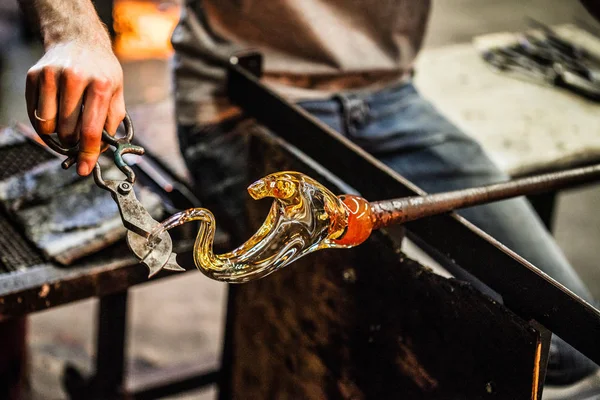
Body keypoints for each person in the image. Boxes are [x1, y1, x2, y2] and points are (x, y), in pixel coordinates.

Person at [17, 0, 600, 394]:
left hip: (390, 94)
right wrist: (75, 28)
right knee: (368, 343)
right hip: (239, 98)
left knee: (572, 348)